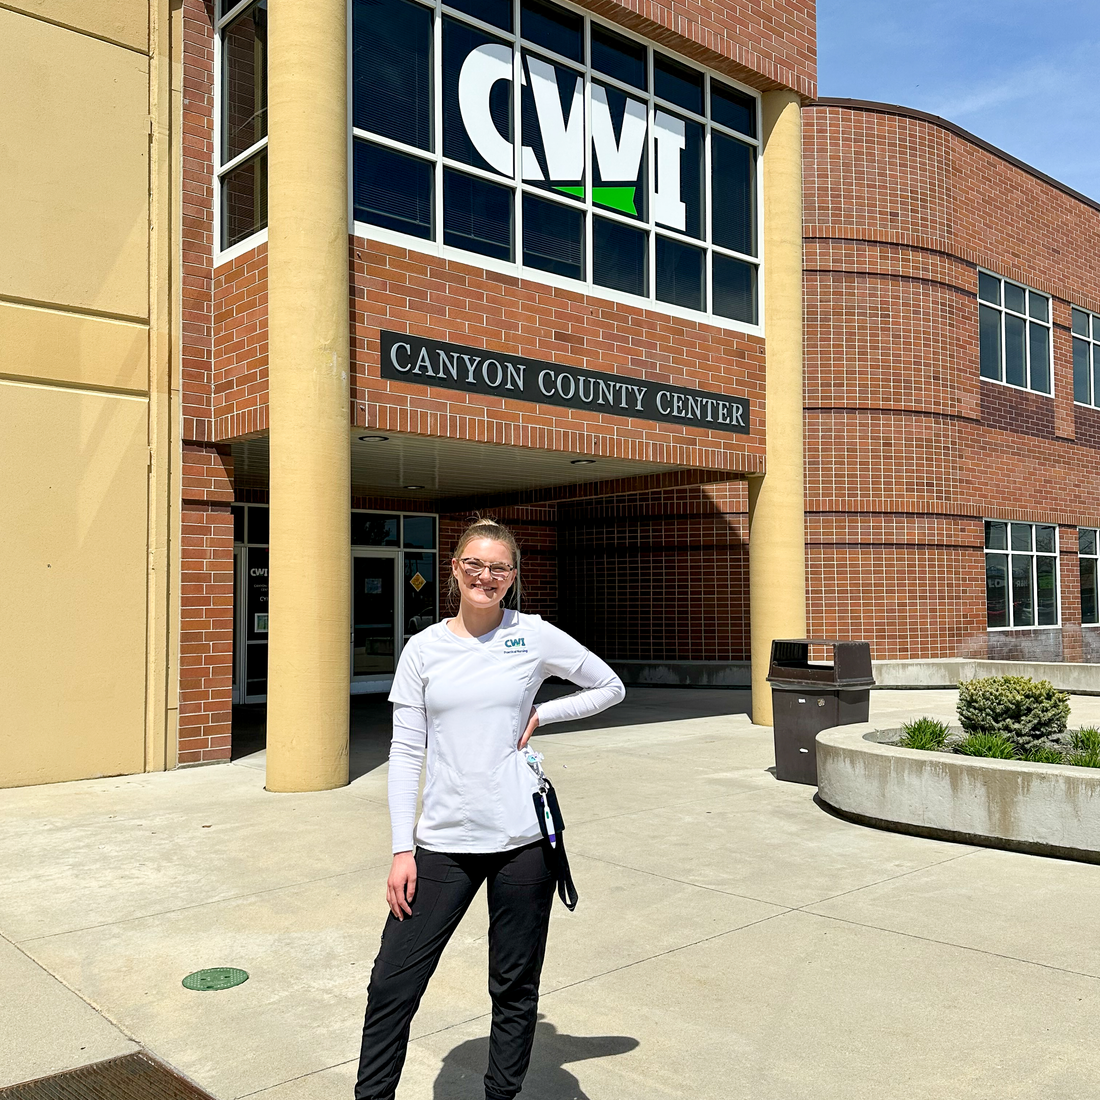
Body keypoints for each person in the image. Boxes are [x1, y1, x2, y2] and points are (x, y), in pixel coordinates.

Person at [355, 517, 625, 1100]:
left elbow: (609, 686)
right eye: (474, 564)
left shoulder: (533, 636)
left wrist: (543, 715)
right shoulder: (423, 649)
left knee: (514, 985)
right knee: (392, 985)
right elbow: (406, 751)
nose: (486, 576)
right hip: (442, 843)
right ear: (454, 569)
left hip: (523, 841)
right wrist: (403, 848)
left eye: (499, 567)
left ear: (512, 576)